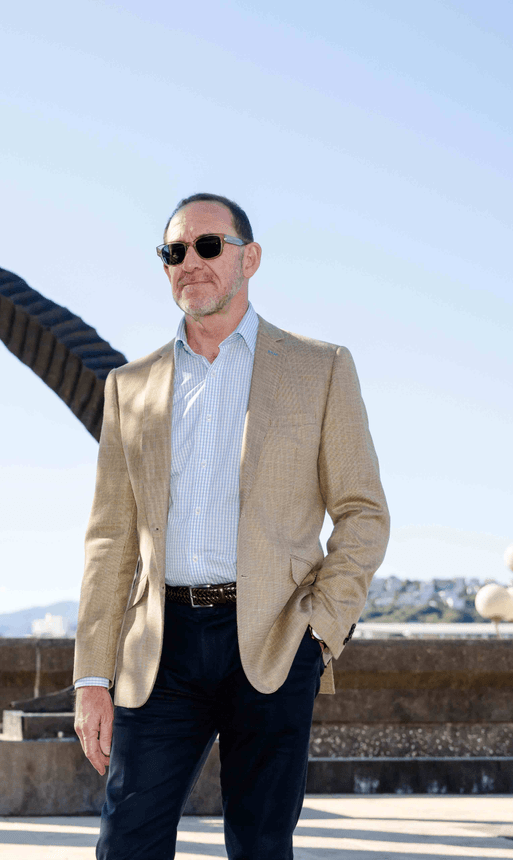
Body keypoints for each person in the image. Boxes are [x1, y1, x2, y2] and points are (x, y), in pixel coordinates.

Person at [72, 193, 389, 859]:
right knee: (125, 842)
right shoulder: (130, 386)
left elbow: (362, 511)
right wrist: (92, 678)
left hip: (275, 639)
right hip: (161, 649)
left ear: (250, 258)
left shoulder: (320, 368)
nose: (190, 261)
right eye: (174, 251)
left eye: (209, 245)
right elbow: (110, 539)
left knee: (260, 846)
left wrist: (319, 631)